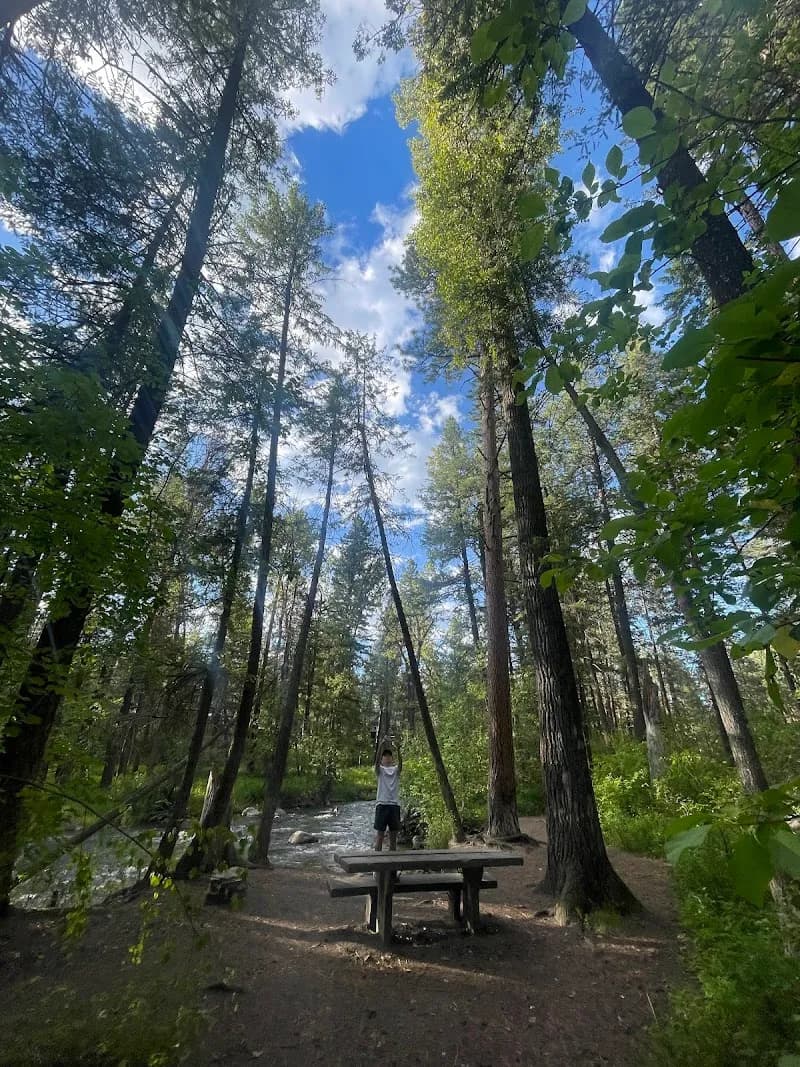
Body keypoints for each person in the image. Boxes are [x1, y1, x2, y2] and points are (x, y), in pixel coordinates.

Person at [374, 739, 402, 852]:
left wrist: (398, 749)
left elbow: (401, 765)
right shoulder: (380, 770)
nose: (387, 758)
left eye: (389, 757)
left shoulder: (395, 770)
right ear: (382, 759)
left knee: (393, 838)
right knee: (379, 837)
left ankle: (392, 868)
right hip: (382, 805)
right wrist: (380, 746)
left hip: (394, 805)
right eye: (385, 757)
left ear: (392, 759)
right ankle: (377, 866)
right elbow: (376, 763)